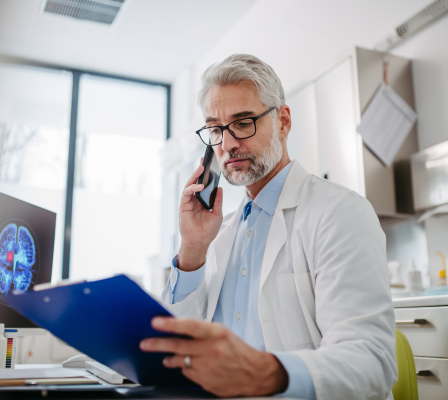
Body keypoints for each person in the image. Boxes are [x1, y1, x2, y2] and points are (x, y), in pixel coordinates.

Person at [140, 54, 397, 399]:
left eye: (243, 122)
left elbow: (371, 362)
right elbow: (175, 349)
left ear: (283, 121)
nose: (227, 144)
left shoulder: (339, 212)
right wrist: (192, 249)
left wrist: (265, 374)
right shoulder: (218, 236)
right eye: (215, 129)